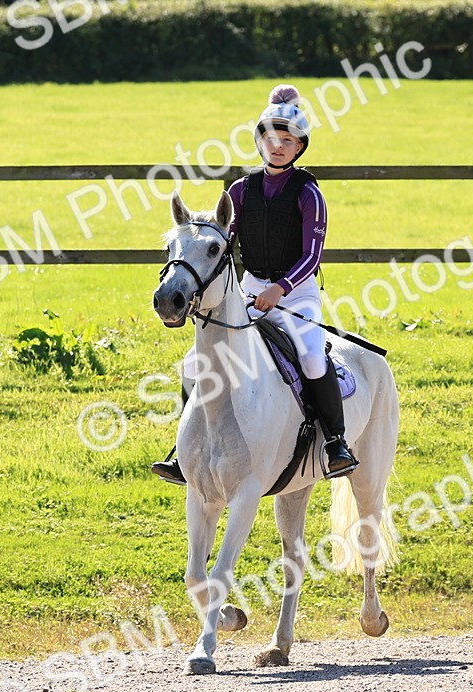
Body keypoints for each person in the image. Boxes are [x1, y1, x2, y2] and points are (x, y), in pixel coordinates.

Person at [152, 84, 360, 485]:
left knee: (313, 356)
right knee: (195, 364)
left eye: (287, 140)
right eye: (269, 138)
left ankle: (335, 442)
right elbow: (222, 246)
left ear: (299, 147)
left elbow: (312, 256)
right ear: (259, 141)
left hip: (296, 294)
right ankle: (184, 452)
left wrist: (279, 289)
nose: (277, 146)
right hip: (247, 290)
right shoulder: (239, 191)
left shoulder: (309, 194)